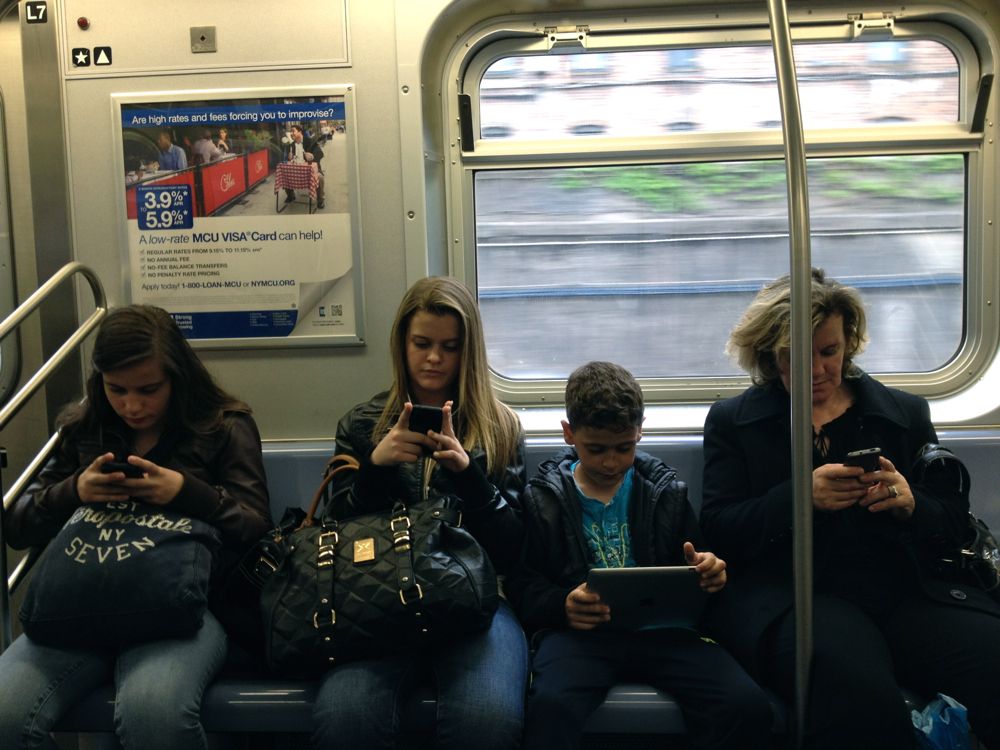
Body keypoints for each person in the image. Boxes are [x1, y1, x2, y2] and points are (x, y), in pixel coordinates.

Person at [701, 269, 1000, 749]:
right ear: (770, 354)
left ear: (849, 344)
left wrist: (909, 503)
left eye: (829, 352)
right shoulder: (735, 421)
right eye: (796, 356)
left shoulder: (903, 413)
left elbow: (950, 521)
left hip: (901, 588)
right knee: (856, 691)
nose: (817, 370)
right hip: (797, 595)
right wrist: (799, 498)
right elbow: (720, 529)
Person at [0, 305, 272, 750]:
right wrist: (75, 490)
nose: (132, 405)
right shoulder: (85, 429)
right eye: (116, 389)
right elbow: (17, 526)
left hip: (182, 610)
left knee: (154, 716)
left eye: (149, 389)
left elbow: (256, 527)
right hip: (79, 605)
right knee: (5, 715)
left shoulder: (224, 426)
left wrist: (187, 492)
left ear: (177, 378)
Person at [506, 361, 773, 750]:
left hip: (663, 632)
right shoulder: (543, 498)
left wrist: (710, 574)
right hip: (580, 638)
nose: (611, 462)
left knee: (745, 705)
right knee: (551, 707)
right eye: (596, 449)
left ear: (640, 431)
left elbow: (694, 568)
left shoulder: (665, 492)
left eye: (624, 447)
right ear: (569, 434)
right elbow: (523, 583)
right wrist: (562, 604)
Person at [311, 276, 528, 750]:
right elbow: (335, 536)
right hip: (378, 598)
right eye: (422, 344)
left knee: (487, 719)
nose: (433, 359)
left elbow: (514, 549)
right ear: (401, 344)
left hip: (477, 602)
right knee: (344, 714)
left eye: (449, 347)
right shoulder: (363, 423)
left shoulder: (500, 427)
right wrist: (376, 468)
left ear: (467, 351)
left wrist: (470, 476)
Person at [283, 123, 325, 209]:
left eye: (293, 131)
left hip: (311, 171)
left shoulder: (310, 141)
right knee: (285, 174)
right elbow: (289, 160)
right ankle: (291, 195)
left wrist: (312, 157)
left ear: (300, 132)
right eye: (290, 132)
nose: (291, 133)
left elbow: (320, 153)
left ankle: (320, 200)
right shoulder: (291, 146)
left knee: (320, 177)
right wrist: (289, 158)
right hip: (297, 172)